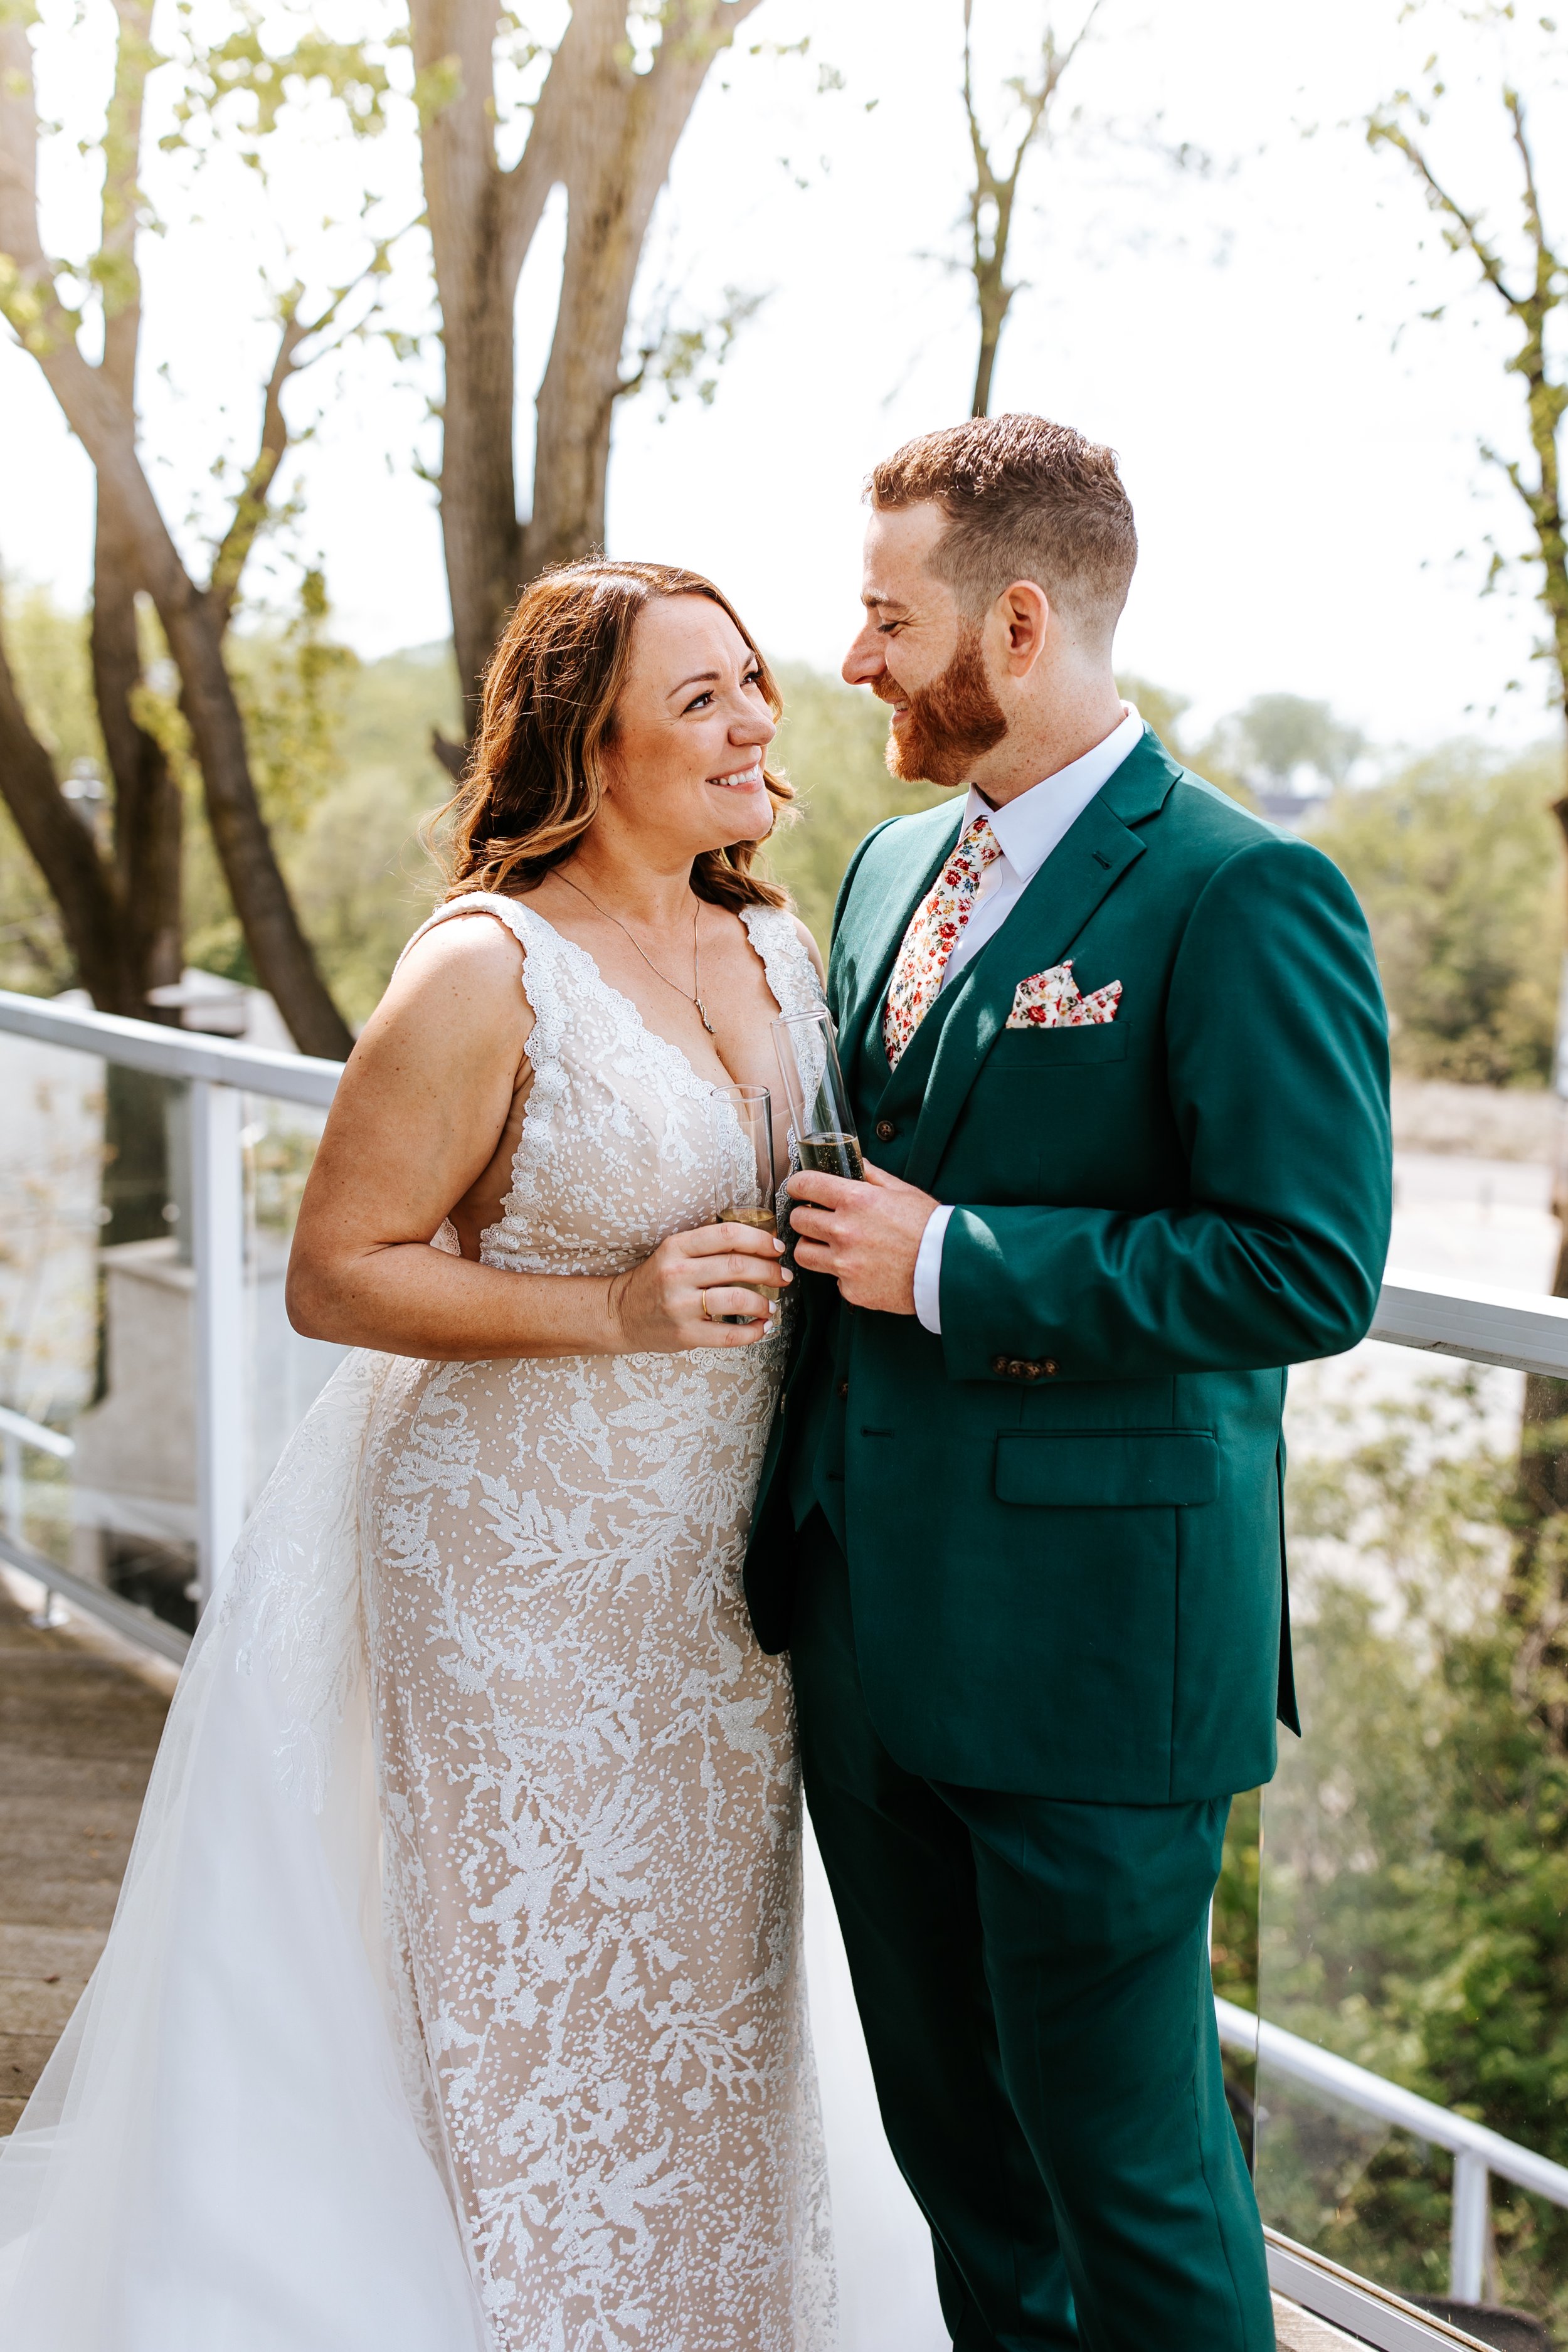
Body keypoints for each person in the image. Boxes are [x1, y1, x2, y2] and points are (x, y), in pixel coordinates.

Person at [0, 559, 837, 2352]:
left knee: (706, 1987)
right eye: (698, 698)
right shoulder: (486, 966)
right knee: (525, 1983)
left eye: (753, 682)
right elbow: (335, 1269)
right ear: (583, 741)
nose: (752, 720)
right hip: (515, 1567)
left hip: (728, 1583)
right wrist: (615, 1310)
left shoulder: (780, 941)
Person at [745, 415, 1393, 2351]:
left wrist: (952, 1261)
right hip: (866, 1628)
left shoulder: (1238, 893)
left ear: (1016, 623)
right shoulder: (876, 875)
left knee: (1129, 2170)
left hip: (1097, 1655)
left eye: (885, 620)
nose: (850, 661)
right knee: (961, 2161)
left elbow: (1303, 1266)